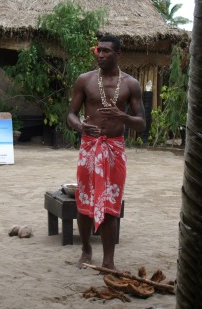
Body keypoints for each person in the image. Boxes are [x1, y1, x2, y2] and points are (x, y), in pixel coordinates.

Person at [67, 35, 146, 270]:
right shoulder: (85, 80)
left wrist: (123, 117)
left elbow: (141, 123)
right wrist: (81, 125)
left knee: (112, 203)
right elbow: (70, 114)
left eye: (106, 51)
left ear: (118, 54)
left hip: (115, 148)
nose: (100, 54)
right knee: (84, 201)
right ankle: (85, 250)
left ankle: (108, 260)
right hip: (89, 147)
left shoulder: (131, 84)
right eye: (98, 50)